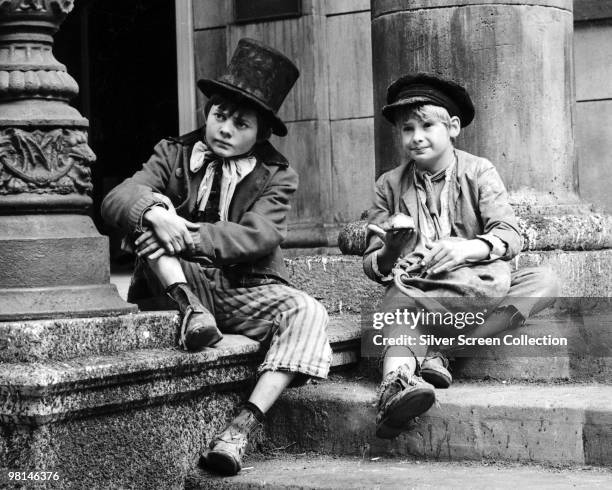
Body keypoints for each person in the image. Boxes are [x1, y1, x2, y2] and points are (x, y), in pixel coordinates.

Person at [101, 38, 332, 475]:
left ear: (261, 133)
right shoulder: (173, 152)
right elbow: (118, 197)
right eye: (219, 115)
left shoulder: (278, 175)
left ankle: (241, 427)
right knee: (150, 219)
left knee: (309, 312)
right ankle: (191, 312)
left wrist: (186, 234)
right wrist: (153, 211)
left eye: (240, 123)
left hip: (243, 286)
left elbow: (258, 235)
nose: (225, 128)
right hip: (177, 282)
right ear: (208, 113)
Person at [363, 73, 559, 439]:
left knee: (544, 281)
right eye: (407, 129)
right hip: (421, 293)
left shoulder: (478, 171)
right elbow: (374, 265)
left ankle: (445, 352)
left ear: (452, 127)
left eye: (426, 125)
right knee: (396, 303)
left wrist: (467, 248)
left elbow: (509, 234)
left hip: (476, 291)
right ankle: (396, 389)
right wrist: (391, 247)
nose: (416, 137)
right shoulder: (388, 185)